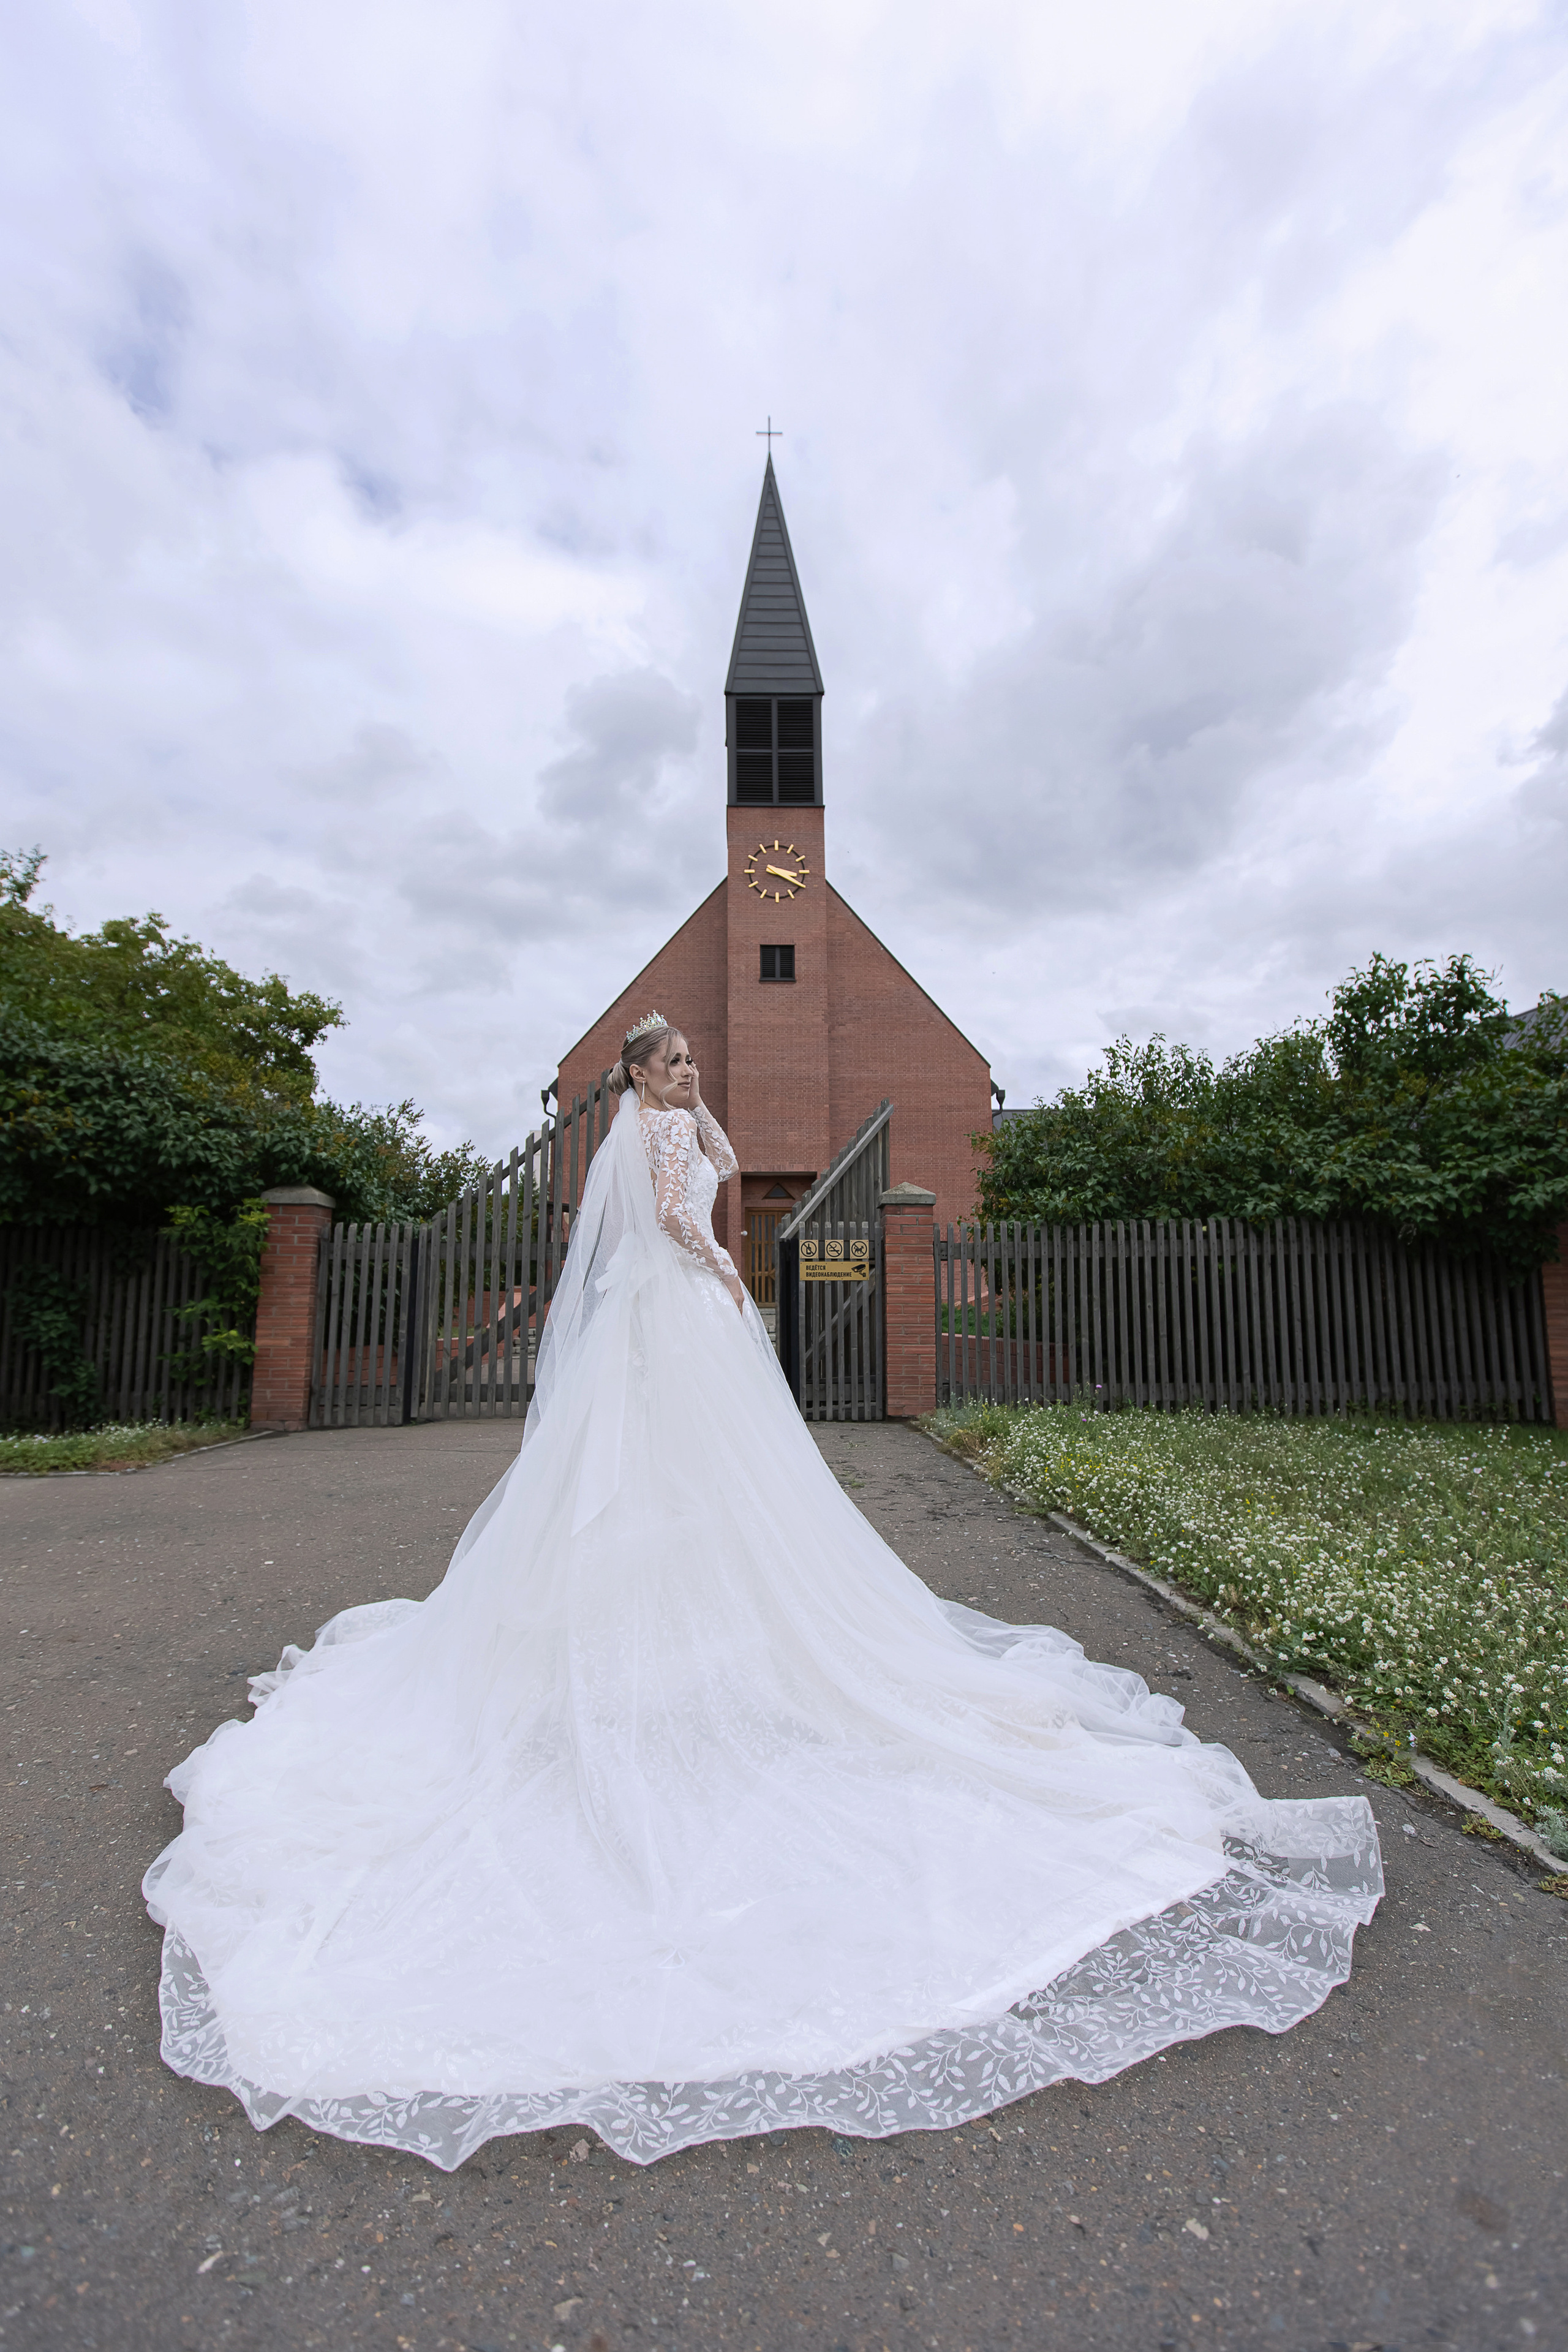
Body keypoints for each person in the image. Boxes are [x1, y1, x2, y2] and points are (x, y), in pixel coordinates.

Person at [144, 1012, 1381, 2170]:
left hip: (648, 1318)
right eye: (672, 1063)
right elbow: (692, 1211)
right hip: (683, 1307)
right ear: (636, 1076)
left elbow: (701, 1166)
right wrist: (729, 1270)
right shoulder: (661, 1131)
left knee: (654, 1487)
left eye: (686, 1063)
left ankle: (658, 1637)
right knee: (703, 1484)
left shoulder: (635, 1132)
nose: (688, 1077)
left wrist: (699, 1139)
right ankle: (689, 1646)